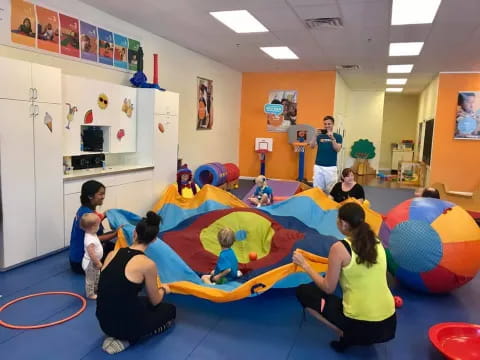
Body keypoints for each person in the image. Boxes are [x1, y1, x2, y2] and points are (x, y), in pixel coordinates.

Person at [294, 203, 396, 352]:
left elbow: (328, 288)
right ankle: (354, 332)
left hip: (360, 326)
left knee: (303, 291)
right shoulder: (376, 241)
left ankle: (344, 332)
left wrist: (305, 264)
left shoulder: (339, 248)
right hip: (388, 325)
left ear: (343, 224)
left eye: (337, 220)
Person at [96, 211, 176, 355]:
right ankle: (130, 339)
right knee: (170, 310)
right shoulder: (148, 264)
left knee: (141, 301)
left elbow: (111, 287)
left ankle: (121, 334)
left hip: (103, 323)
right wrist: (164, 289)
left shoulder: (112, 254)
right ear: (154, 240)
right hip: (126, 327)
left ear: (134, 234)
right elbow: (156, 300)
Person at [69, 180, 119, 274]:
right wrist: (115, 234)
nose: (103, 197)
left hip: (75, 260)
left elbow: (95, 221)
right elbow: (96, 239)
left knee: (113, 247)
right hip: (81, 264)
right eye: (100, 194)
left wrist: (105, 214)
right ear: (90, 196)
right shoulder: (87, 213)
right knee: (118, 253)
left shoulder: (83, 211)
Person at [310, 116, 343, 193]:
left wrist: (332, 139)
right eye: (325, 124)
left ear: (333, 124)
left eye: (329, 124)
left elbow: (337, 149)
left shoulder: (338, 136)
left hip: (330, 167)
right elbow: (311, 146)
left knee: (331, 189)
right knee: (317, 189)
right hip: (318, 166)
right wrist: (315, 136)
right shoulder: (319, 136)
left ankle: (329, 204)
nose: (327, 126)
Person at [81, 213, 103, 300]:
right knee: (90, 279)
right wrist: (97, 262)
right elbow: (91, 253)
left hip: (94, 261)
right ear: (93, 227)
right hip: (91, 262)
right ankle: (90, 294)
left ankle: (96, 288)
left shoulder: (92, 233)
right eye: (98, 225)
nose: (99, 227)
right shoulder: (89, 239)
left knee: (97, 275)